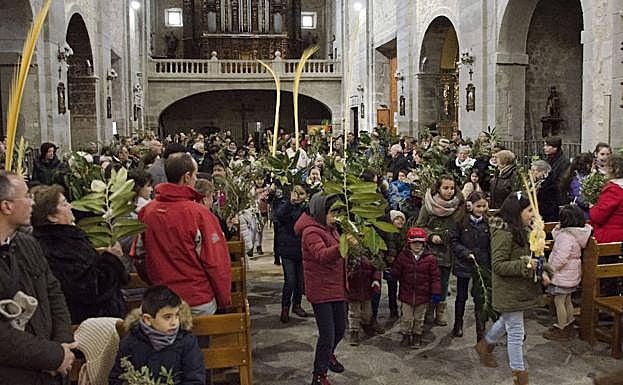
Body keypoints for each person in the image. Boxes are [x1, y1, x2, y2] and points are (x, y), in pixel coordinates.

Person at [0, 171, 77, 384]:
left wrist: (63, 343)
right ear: (7, 206)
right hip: (14, 373)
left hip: (49, 367)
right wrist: (52, 356)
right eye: (26, 197)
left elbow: (53, 291)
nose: (32, 203)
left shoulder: (27, 244)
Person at [139, 152, 231, 315]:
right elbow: (215, 263)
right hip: (195, 300)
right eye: (195, 175)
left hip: (161, 301)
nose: (195, 180)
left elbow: (140, 255)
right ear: (187, 176)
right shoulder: (198, 214)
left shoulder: (147, 211)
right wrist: (224, 300)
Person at [475, 193, 552, 385]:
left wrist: (544, 269)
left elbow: (534, 254)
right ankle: (520, 377)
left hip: (520, 289)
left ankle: (484, 345)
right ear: (517, 212)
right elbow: (499, 265)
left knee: (506, 321)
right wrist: (526, 265)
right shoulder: (504, 233)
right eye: (528, 211)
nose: (532, 215)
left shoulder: (525, 229)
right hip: (509, 290)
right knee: (516, 332)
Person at [31, 185, 128, 324]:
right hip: (92, 323)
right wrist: (112, 259)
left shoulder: (67, 238)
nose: (70, 206)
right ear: (52, 217)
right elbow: (90, 288)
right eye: (64, 204)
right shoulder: (59, 245)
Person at [294, 193, 355, 385]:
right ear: (321, 211)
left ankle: (329, 355)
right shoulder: (311, 231)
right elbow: (321, 255)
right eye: (332, 212)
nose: (336, 217)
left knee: (340, 329)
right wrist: (343, 246)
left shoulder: (331, 228)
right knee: (327, 334)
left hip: (336, 286)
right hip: (321, 289)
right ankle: (318, 375)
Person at [109, 285, 205, 385]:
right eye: (167, 317)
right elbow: (117, 379)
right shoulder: (130, 343)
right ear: (148, 319)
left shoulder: (187, 341)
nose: (174, 322)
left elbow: (195, 379)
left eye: (177, 315)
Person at [416, 174, 465, 327]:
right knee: (430, 282)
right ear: (438, 188)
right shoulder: (428, 206)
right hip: (432, 252)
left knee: (443, 284)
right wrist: (431, 236)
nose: (449, 191)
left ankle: (440, 310)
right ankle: (429, 309)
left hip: (448, 252)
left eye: (452, 188)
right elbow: (419, 226)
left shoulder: (458, 206)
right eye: (445, 188)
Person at [542, 205, 592, 340]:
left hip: (562, 274)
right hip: (572, 274)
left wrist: (550, 270)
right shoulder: (577, 233)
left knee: (559, 301)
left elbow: (561, 258)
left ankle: (561, 327)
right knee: (567, 300)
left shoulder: (565, 237)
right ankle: (569, 323)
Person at [450, 191, 491, 341]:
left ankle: (481, 330)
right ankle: (458, 323)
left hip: (482, 264)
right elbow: (454, 242)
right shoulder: (461, 221)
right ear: (470, 205)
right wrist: (465, 253)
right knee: (461, 296)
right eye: (478, 206)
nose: (480, 209)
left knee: (481, 298)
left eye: (483, 206)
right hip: (464, 264)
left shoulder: (488, 222)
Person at [391, 227, 441, 349]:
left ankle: (417, 334)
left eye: (420, 242)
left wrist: (436, 292)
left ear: (424, 243)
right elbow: (397, 271)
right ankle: (406, 334)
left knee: (419, 318)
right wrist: (392, 274)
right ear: (409, 243)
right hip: (406, 294)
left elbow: (435, 277)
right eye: (414, 242)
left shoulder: (430, 259)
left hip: (422, 295)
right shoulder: (403, 257)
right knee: (406, 318)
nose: (417, 245)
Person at [274, 185, 309, 323]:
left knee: (300, 281)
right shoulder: (284, 204)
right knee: (290, 281)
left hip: (301, 249)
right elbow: (279, 215)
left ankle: (297, 305)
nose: (298, 195)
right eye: (296, 192)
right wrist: (290, 202)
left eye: (302, 193)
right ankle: (285, 307)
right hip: (287, 249)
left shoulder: (306, 208)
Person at [346, 256, 381, 346]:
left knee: (367, 312)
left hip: (367, 289)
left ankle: (366, 324)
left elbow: (377, 268)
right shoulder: (349, 254)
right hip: (353, 290)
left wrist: (376, 280)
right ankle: (354, 331)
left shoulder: (370, 253)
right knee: (354, 312)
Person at [590, 154, 623, 243]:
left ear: (612, 169)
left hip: (611, 236)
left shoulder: (613, 190)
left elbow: (598, 216)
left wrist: (593, 207)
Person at [541, 136, 571, 221]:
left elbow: (562, 180)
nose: (544, 148)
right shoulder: (547, 159)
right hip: (547, 197)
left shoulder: (564, 162)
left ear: (555, 147)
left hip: (557, 197)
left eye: (547, 146)